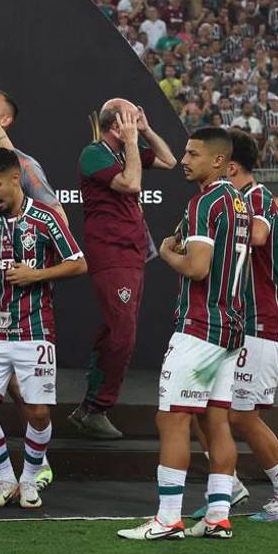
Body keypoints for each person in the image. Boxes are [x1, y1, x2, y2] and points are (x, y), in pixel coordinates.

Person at [118, 127, 249, 541]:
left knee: (172, 418)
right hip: (232, 326)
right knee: (217, 422)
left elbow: (196, 268)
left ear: (217, 161)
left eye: (193, 154)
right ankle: (218, 517)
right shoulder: (239, 203)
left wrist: (169, 253)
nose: (185, 159)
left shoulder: (204, 202)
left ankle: (168, 519)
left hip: (200, 325)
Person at [0, 148, 86, 509]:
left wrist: (37, 274)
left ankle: (30, 479)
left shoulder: (46, 218)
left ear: (16, 178)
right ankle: (5, 478)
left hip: (35, 330)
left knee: (39, 412)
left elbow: (78, 264)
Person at [71, 100, 176, 439]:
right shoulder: (94, 153)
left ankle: (89, 406)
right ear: (116, 126)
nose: (136, 125)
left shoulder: (122, 152)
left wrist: (145, 131)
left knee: (116, 331)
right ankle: (97, 408)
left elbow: (169, 161)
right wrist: (132, 142)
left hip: (131, 251)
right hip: (111, 252)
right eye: (131, 120)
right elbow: (132, 184)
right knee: (122, 334)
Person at [217, 130, 278, 522]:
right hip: (238, 323)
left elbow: (256, 234)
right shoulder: (232, 201)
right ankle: (229, 486)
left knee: (242, 415)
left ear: (230, 165)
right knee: (207, 407)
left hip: (264, 322)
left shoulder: (257, 197)